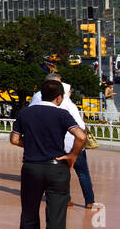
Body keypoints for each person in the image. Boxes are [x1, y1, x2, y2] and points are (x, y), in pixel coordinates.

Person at [10, 78, 86, 229]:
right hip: (56, 168)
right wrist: (73, 155)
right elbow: (81, 136)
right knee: (56, 216)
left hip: (31, 168)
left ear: (41, 94)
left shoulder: (25, 113)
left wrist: (31, 145)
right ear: (59, 97)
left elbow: (14, 139)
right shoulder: (62, 114)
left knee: (29, 212)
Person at [28, 79, 94, 209]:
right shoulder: (69, 106)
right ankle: (89, 200)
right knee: (82, 173)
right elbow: (80, 127)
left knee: (63, 173)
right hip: (74, 145)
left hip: (57, 145)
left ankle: (67, 198)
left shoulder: (39, 101)